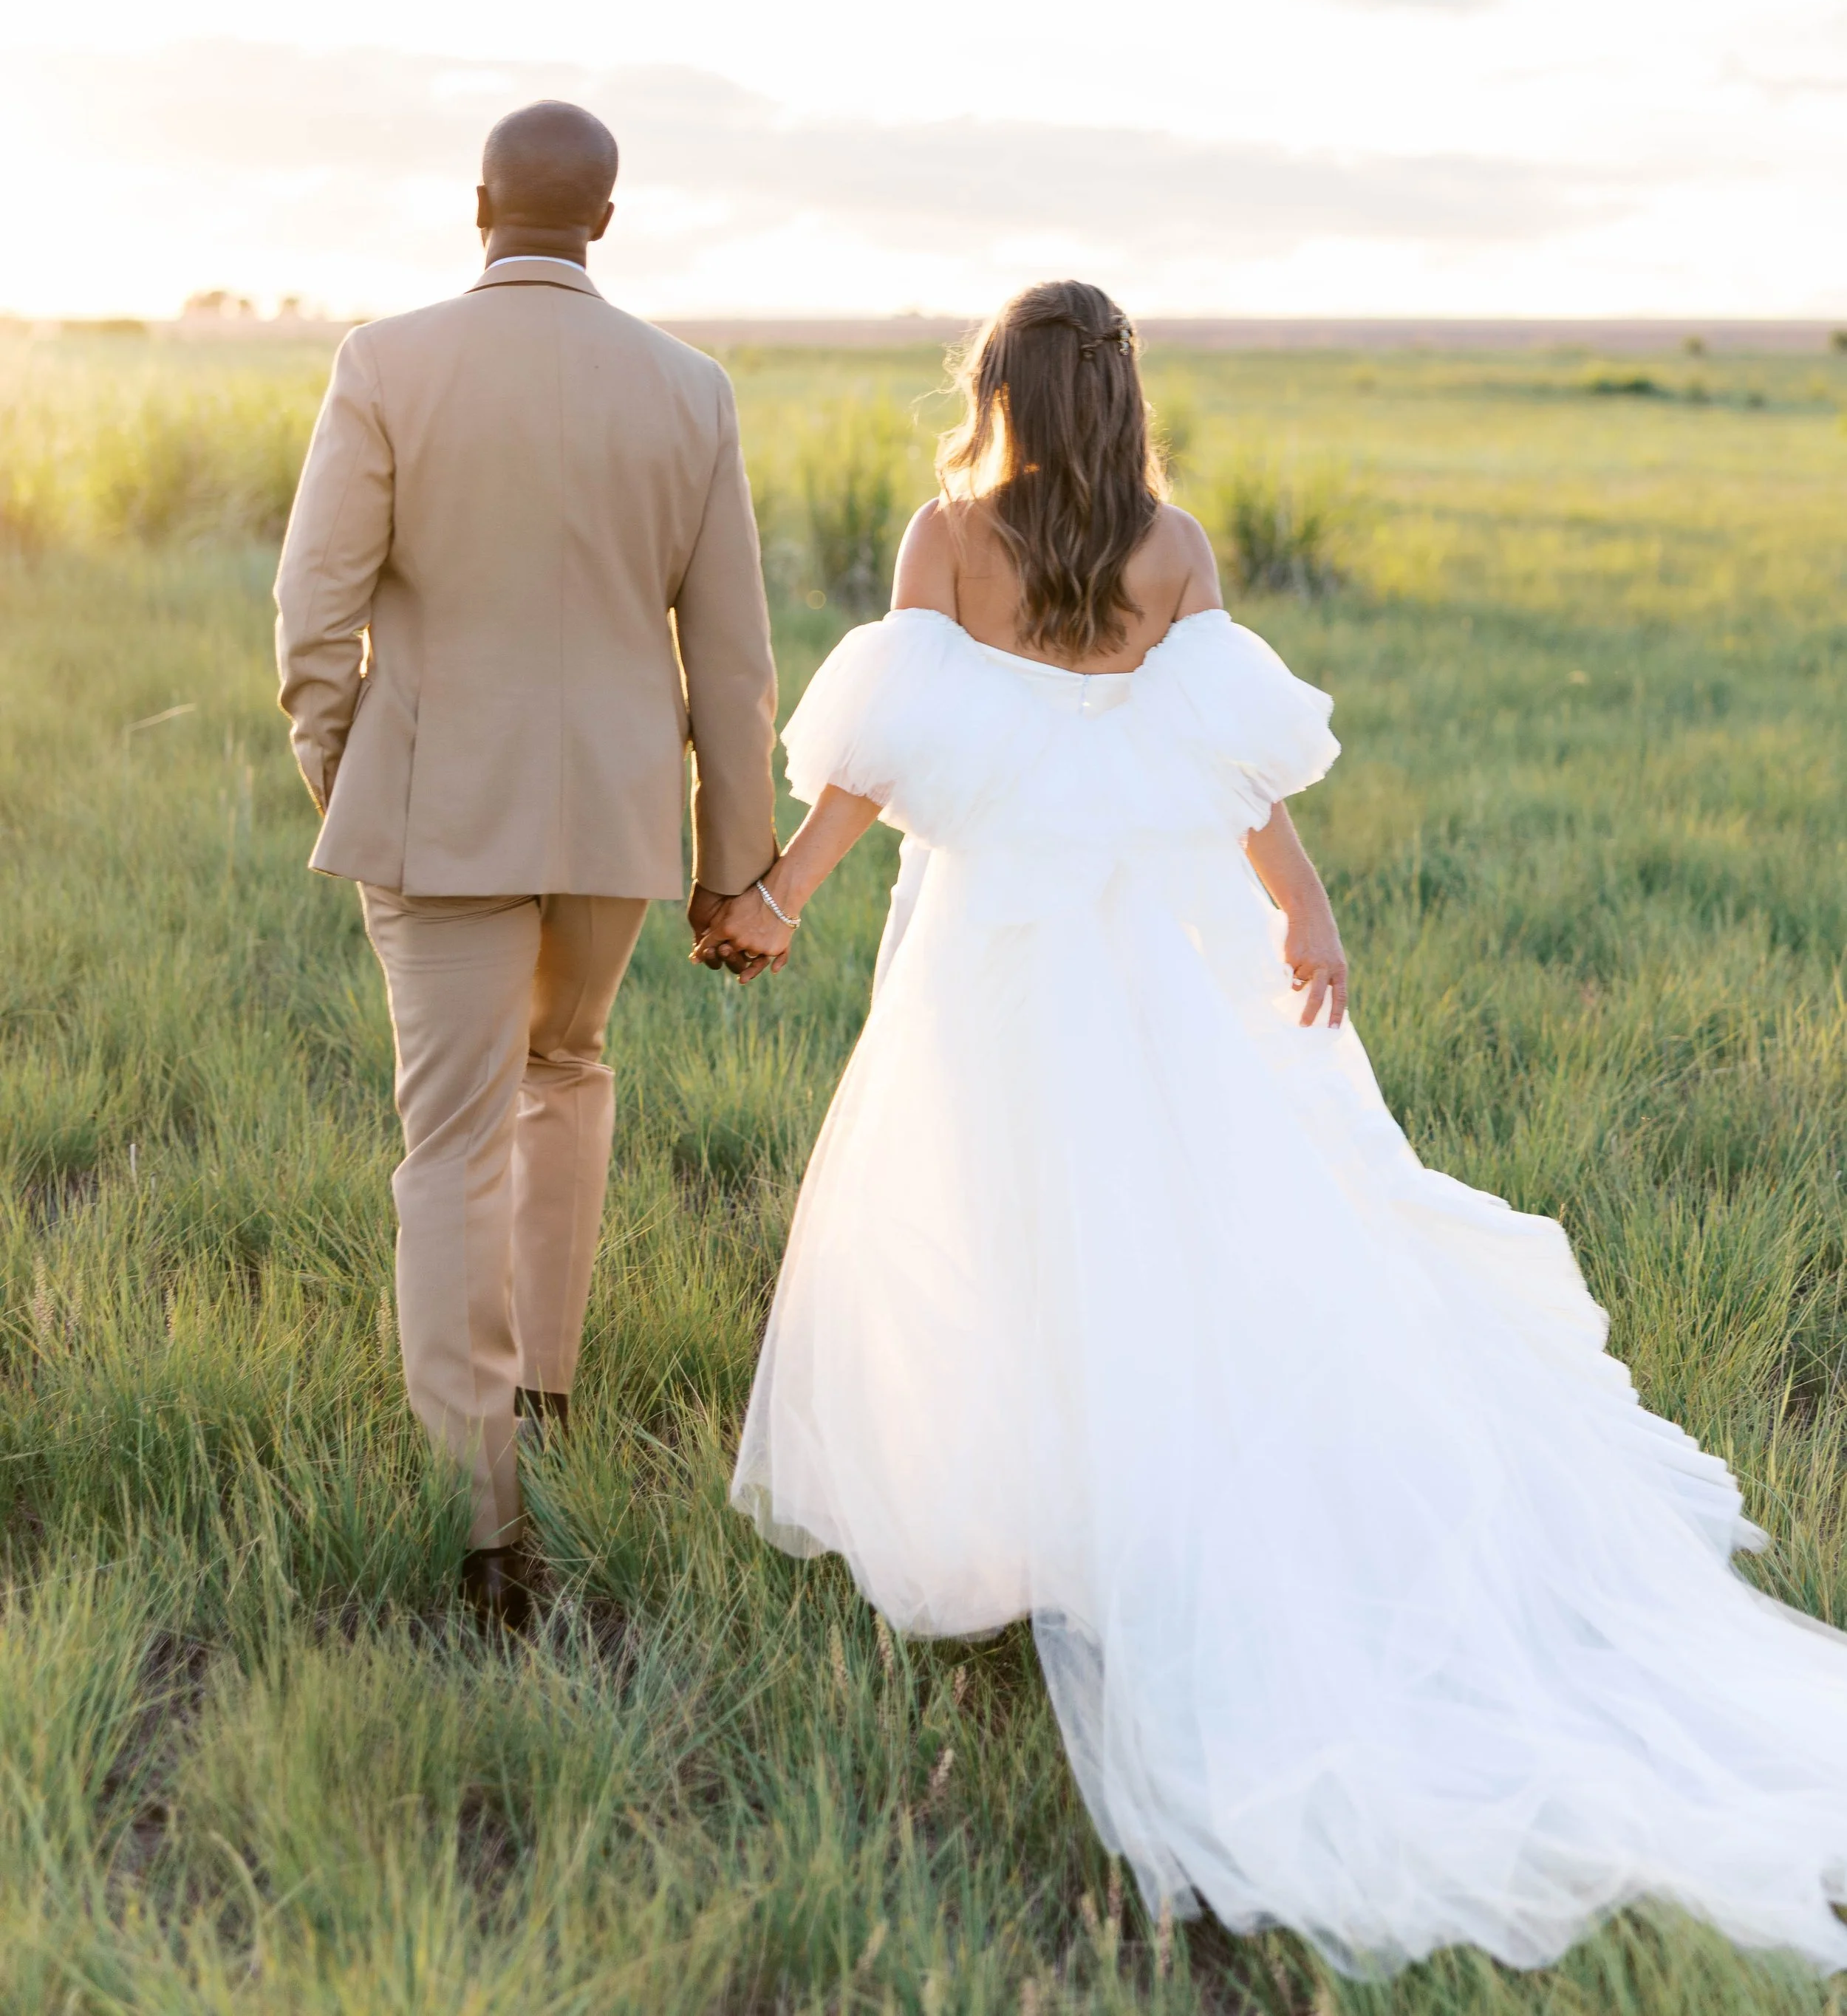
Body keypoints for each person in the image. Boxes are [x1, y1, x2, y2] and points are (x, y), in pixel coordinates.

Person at [701, 278, 1847, 1975]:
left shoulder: (945, 542)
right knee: (1156, 1224)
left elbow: (870, 773)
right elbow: (1230, 778)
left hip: (984, 952)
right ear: (1121, 401)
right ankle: (1105, 1513)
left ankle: (1046, 1525)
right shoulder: (1170, 556)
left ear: (999, 392)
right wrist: (1301, 913)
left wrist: (776, 902)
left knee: (988, 1221)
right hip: (1140, 960)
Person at [275, 100, 777, 1630]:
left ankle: (481, 1517)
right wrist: (731, 866)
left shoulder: (385, 363)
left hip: (436, 813)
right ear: (605, 222)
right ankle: (540, 1394)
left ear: (477, 202)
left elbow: (312, 621)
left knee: (448, 1146)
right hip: (616, 822)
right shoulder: (689, 391)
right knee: (566, 1065)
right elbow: (734, 663)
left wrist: (352, 776)